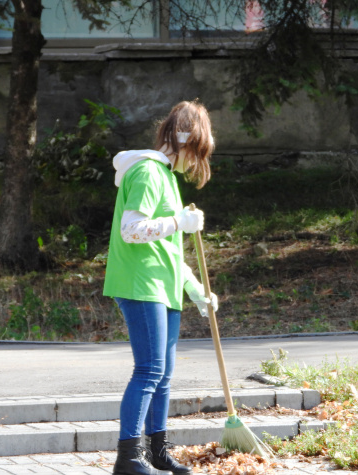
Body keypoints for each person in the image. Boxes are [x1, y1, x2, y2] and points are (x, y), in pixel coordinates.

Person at [103, 100, 219, 475]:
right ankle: (129, 457)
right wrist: (178, 222)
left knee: (163, 375)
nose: (195, 161)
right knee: (149, 371)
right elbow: (131, 230)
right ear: (183, 140)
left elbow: (168, 250)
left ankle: (157, 451)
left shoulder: (167, 177)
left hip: (164, 285)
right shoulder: (147, 171)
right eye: (196, 150)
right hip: (141, 283)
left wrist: (196, 289)